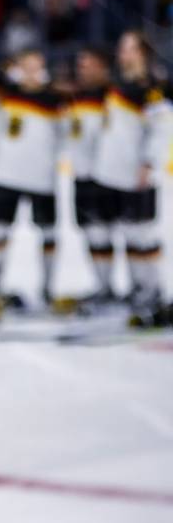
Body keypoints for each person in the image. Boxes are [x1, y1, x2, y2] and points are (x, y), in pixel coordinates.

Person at [87, 30, 169, 325]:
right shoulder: (117, 84)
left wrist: (148, 162)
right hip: (110, 172)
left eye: (130, 49)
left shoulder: (152, 88)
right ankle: (134, 291)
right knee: (121, 234)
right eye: (122, 48)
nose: (123, 54)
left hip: (137, 173)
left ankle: (153, 293)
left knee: (142, 237)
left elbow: (162, 129)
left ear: (143, 53)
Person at [0, 49, 65, 321]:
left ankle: (49, 287)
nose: (30, 72)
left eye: (35, 66)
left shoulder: (56, 99)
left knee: (48, 234)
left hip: (41, 177)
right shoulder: (3, 92)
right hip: (5, 174)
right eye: (24, 66)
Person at [66, 47, 110, 306]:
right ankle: (102, 286)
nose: (84, 70)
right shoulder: (74, 95)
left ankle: (139, 288)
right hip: (81, 174)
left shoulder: (113, 93)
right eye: (81, 65)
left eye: (90, 64)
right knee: (93, 233)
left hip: (108, 173)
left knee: (124, 231)